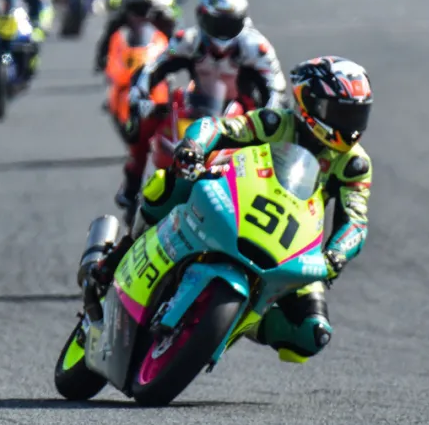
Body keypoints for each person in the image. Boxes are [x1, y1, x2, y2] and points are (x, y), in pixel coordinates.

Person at [86, 55, 373, 364]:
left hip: (291, 242)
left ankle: (236, 320)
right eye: (340, 113)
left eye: (357, 116)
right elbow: (218, 127)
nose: (350, 126)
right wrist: (194, 147)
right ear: (309, 103)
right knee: (169, 182)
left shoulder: (354, 165)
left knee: (313, 333)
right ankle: (120, 254)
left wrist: (336, 254)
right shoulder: (277, 123)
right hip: (233, 201)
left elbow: (355, 222)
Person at [115, 0, 287, 212]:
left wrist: (269, 115)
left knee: (272, 143)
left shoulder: (256, 48)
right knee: (143, 122)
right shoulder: (187, 40)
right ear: (203, 19)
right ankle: (133, 182)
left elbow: (275, 88)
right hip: (197, 103)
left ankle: (267, 198)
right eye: (217, 23)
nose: (222, 32)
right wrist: (140, 95)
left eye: (229, 23)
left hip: (240, 112)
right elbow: (154, 67)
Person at [93, 0, 177, 73]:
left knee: (170, 27)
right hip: (129, 61)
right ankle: (101, 59)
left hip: (156, 60)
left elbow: (172, 39)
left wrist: (173, 53)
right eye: (136, 8)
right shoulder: (122, 18)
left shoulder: (161, 18)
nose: (141, 15)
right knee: (111, 27)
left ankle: (171, 59)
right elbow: (108, 36)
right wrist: (102, 58)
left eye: (144, 8)